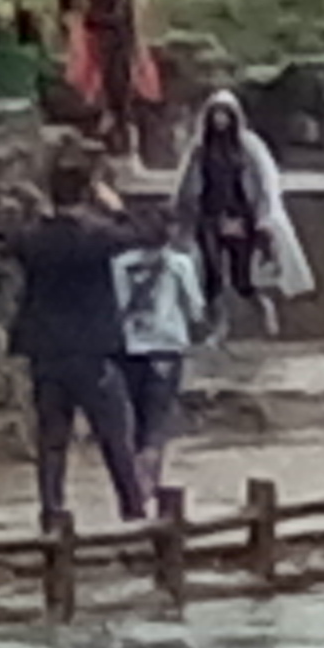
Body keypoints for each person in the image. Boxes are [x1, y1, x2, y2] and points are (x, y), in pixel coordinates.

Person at [2, 150, 145, 527]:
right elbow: (141, 235)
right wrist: (116, 208)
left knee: (52, 438)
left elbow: (7, 239)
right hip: (92, 351)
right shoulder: (96, 236)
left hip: (46, 352)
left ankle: (51, 511)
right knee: (115, 435)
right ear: (88, 193)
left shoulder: (35, 238)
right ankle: (132, 509)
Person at [184, 92, 320, 338]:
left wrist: (265, 217)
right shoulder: (201, 147)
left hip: (240, 216)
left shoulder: (249, 145)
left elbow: (267, 182)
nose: (220, 119)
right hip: (209, 216)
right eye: (216, 113)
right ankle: (218, 326)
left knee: (242, 278)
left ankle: (265, 310)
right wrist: (183, 211)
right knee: (211, 275)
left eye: (225, 114)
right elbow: (188, 183)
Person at [110, 188, 207, 509]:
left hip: (128, 346)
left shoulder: (120, 264)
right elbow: (195, 308)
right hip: (166, 345)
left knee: (135, 417)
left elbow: (115, 305)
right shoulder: (179, 263)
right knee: (157, 419)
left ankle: (137, 483)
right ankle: (148, 482)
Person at [57, 0, 161, 161]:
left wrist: (88, 18)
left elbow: (119, 20)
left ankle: (121, 151)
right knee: (105, 101)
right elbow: (66, 1)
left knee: (117, 101)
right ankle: (112, 149)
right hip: (101, 47)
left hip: (116, 49)